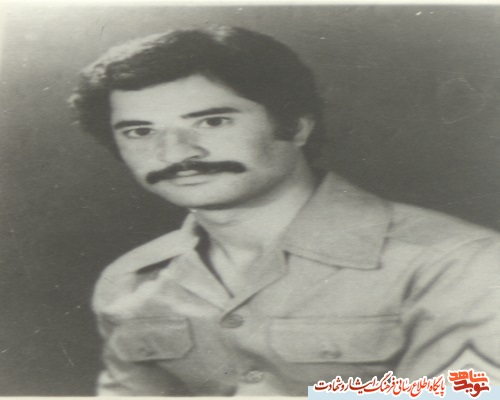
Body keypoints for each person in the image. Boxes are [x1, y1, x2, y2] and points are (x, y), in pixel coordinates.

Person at [69, 26, 500, 396]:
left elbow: (469, 392)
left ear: (295, 127)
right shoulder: (129, 282)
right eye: (140, 131)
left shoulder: (458, 263)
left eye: (212, 122)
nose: (177, 153)